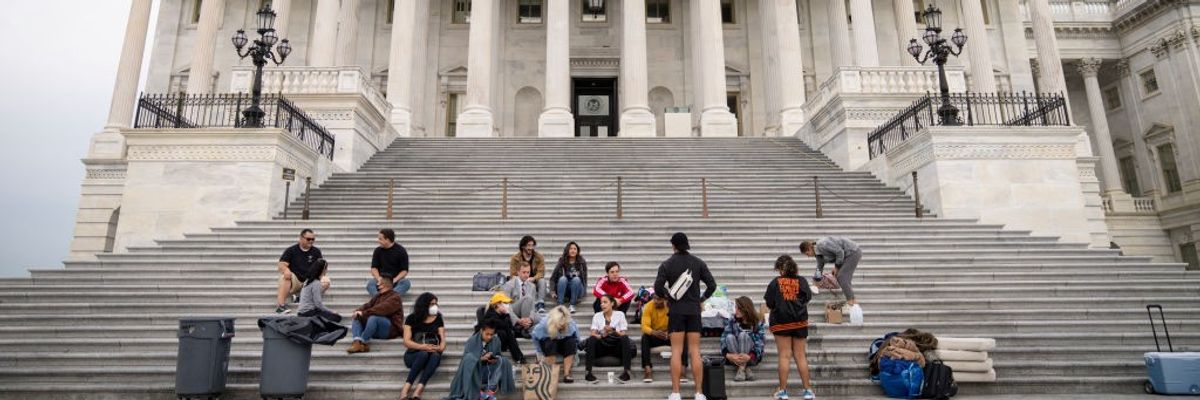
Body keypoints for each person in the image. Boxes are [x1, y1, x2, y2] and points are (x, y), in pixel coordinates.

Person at [653, 232, 717, 400]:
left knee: (676, 351)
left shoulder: (667, 264)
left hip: (676, 311)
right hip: (694, 311)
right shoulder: (698, 263)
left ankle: (675, 393)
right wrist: (700, 299)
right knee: (695, 352)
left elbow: (658, 287)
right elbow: (712, 285)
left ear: (673, 245)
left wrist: (668, 296)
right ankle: (699, 392)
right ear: (687, 244)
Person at [764, 255, 815, 400]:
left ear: (781, 269)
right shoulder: (802, 281)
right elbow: (807, 298)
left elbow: (769, 302)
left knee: (784, 355)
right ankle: (808, 390)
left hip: (781, 322)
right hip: (799, 322)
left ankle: (783, 391)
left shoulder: (775, 282)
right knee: (800, 355)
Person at [448, 318, 516, 400]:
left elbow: (498, 355)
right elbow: (466, 362)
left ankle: (489, 389)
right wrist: (480, 359)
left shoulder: (496, 340)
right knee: (470, 358)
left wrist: (495, 358)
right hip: (475, 372)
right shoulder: (471, 341)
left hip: (489, 371)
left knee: (504, 361)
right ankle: (478, 390)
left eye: (492, 334)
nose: (489, 337)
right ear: (481, 331)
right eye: (487, 334)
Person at [400, 293, 445, 400]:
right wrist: (423, 347)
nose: (434, 306)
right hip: (413, 355)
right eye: (431, 304)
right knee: (423, 354)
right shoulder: (411, 318)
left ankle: (418, 391)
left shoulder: (438, 318)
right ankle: (405, 390)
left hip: (432, 354)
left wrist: (440, 348)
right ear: (424, 305)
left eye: (436, 304)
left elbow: (443, 339)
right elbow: (406, 341)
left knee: (435, 356)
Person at [583, 294, 636, 383]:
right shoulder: (597, 315)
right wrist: (602, 335)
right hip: (602, 345)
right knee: (592, 339)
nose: (602, 305)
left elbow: (623, 333)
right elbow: (593, 333)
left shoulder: (620, 314)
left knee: (625, 338)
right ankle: (588, 373)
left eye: (605, 302)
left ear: (612, 303)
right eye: (601, 303)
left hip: (616, 346)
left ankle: (627, 372)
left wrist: (613, 330)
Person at [275, 229, 329, 314]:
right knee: (284, 277)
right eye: (308, 239)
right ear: (301, 238)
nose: (311, 241)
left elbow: (322, 267)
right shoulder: (291, 250)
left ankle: (301, 297)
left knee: (326, 281)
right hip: (295, 280)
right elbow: (281, 264)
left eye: (313, 239)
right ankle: (280, 306)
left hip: (309, 281)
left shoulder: (316, 251)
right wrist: (286, 270)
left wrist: (322, 276)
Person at [640, 292, 689, 383]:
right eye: (654, 298)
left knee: (683, 337)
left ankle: (682, 370)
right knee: (645, 337)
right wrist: (653, 332)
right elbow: (644, 326)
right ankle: (647, 370)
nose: (655, 301)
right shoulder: (648, 306)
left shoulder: (672, 307)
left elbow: (679, 323)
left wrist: (670, 332)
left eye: (659, 299)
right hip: (656, 335)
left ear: (665, 300)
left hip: (670, 335)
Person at [346, 279, 405, 354]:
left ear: (384, 285)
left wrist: (363, 313)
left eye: (378, 284)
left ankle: (363, 342)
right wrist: (358, 311)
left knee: (374, 317)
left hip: (389, 330)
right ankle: (357, 342)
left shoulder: (395, 297)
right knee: (357, 316)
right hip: (375, 329)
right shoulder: (378, 296)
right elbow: (367, 305)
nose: (377, 286)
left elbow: (381, 309)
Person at [800, 237, 860, 305]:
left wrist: (836, 267)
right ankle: (851, 299)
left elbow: (840, 252)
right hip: (846, 256)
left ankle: (852, 301)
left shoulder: (823, 244)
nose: (808, 256)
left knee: (842, 277)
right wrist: (816, 281)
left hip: (852, 252)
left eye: (807, 254)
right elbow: (820, 266)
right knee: (840, 277)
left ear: (809, 248)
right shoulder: (818, 254)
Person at [721, 296, 766, 382]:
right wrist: (728, 355)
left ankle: (741, 368)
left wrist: (750, 356)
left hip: (751, 357)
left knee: (743, 335)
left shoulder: (757, 323)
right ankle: (744, 368)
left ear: (745, 309)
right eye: (735, 307)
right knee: (729, 337)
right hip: (734, 357)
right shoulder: (732, 320)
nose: (735, 310)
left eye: (738, 308)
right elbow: (723, 338)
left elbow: (760, 343)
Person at [531, 305, 580, 383]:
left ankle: (566, 374)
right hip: (549, 342)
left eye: (564, 325)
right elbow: (535, 336)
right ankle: (552, 373)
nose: (562, 327)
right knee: (550, 343)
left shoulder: (570, 324)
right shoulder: (544, 324)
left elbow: (576, 338)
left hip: (562, 343)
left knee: (571, 342)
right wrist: (539, 352)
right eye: (560, 325)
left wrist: (575, 350)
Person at [476, 292, 526, 363]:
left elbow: (510, 329)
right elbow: (507, 329)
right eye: (505, 303)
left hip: (502, 343)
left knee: (508, 332)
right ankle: (519, 357)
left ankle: (519, 357)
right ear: (498, 304)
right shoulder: (490, 316)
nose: (508, 305)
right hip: (489, 345)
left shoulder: (504, 316)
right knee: (504, 332)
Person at [501, 262, 542, 337]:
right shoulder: (509, 285)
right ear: (518, 272)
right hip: (514, 311)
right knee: (528, 298)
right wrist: (518, 320)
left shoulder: (532, 286)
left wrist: (530, 319)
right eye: (524, 272)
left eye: (528, 272)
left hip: (526, 313)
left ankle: (524, 328)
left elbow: (533, 307)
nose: (526, 275)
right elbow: (506, 307)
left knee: (541, 319)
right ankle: (526, 329)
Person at [509, 235, 548, 313]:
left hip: (534, 281)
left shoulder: (539, 257)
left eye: (532, 245)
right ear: (523, 246)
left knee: (542, 281)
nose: (531, 248)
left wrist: (533, 278)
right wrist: (522, 279)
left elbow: (541, 272)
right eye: (528, 245)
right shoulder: (515, 258)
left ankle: (540, 303)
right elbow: (513, 274)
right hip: (520, 281)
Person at [367, 228, 411, 296]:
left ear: (387, 240)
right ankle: (387, 297)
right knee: (370, 284)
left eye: (380, 239)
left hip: (395, 281)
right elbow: (374, 268)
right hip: (381, 280)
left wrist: (395, 280)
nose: (378, 241)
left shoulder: (401, 251)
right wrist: (378, 278)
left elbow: (404, 270)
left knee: (406, 283)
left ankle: (383, 297)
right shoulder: (377, 251)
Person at [550, 241, 588, 312]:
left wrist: (584, 292)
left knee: (576, 279)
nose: (573, 250)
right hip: (565, 289)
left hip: (577, 289)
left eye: (575, 249)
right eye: (571, 249)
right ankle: (560, 305)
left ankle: (572, 305)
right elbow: (553, 278)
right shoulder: (562, 261)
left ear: (577, 251)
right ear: (567, 250)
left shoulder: (582, 262)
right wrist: (552, 291)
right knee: (562, 279)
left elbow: (584, 279)